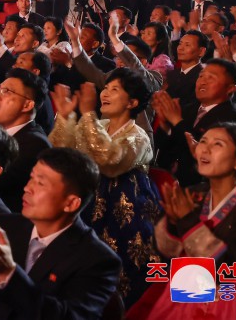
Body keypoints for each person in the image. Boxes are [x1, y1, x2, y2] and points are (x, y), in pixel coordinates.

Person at [129, 123, 236, 320]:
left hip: (234, 293)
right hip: (189, 283)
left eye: (218, 144)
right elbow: (166, 252)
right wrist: (171, 223)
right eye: (203, 141)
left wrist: (187, 220)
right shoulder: (194, 194)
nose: (205, 149)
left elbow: (225, 271)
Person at [0, 148, 121, 320]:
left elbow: (67, 317)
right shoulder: (6, 227)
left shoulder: (98, 260)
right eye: (31, 178)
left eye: (40, 183)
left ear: (70, 203)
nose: (27, 188)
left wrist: (8, 273)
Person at [50, 70, 159, 306]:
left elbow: (110, 161)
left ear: (132, 102)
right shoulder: (98, 124)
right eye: (106, 88)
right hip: (88, 207)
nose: (105, 94)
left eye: (115, 89)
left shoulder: (139, 137)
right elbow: (62, 153)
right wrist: (66, 118)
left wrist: (87, 114)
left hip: (124, 220)